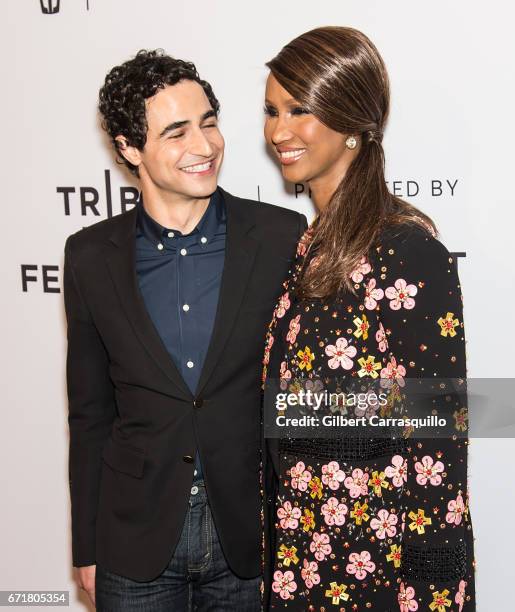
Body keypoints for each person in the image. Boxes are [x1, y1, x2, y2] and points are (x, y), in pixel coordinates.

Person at [63, 49, 307, 611]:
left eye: (209, 123)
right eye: (176, 132)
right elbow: (90, 412)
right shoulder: (90, 256)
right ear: (129, 148)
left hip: (251, 534)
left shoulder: (279, 237)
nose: (204, 146)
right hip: (134, 541)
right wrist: (87, 547)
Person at [261, 27, 475, 610]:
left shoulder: (405, 248)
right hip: (304, 557)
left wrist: (434, 594)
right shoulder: (311, 244)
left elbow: (439, 444)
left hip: (378, 568)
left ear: (353, 123)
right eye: (272, 110)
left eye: (300, 110)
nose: (279, 131)